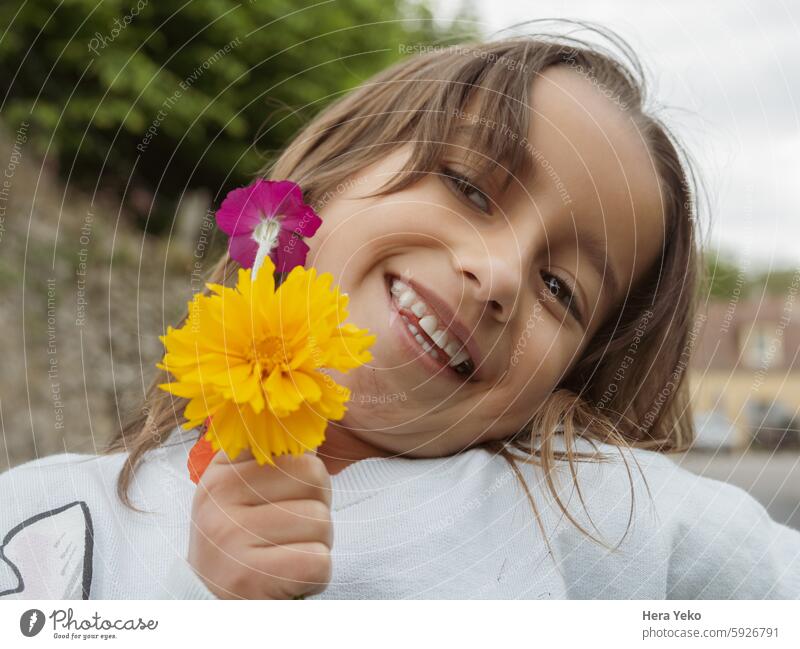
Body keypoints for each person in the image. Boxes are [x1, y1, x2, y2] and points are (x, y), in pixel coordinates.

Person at [2, 24, 799, 600]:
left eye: (562, 289)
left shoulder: (595, 515)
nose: (497, 274)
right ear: (329, 178)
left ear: (567, 378)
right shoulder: (50, 510)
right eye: (469, 185)